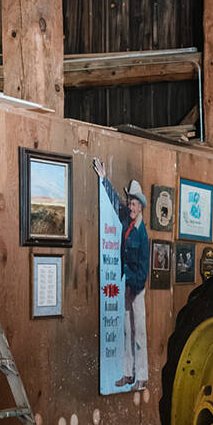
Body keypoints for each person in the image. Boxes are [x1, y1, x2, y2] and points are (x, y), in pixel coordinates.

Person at [93, 157, 150, 390]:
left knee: (139, 334)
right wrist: (104, 179)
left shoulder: (142, 235)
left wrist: (132, 290)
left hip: (136, 287)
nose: (131, 207)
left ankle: (142, 376)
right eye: (130, 202)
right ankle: (128, 374)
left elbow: (144, 270)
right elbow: (116, 202)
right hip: (127, 285)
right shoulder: (127, 219)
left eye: (135, 204)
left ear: (141, 207)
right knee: (126, 331)